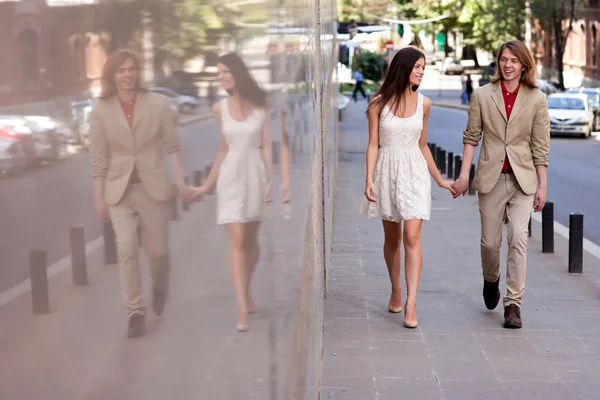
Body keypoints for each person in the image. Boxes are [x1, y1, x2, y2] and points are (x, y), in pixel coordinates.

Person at [89, 49, 194, 338]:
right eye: (121, 71)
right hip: (119, 190)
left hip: (153, 188)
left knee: (158, 253)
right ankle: (134, 311)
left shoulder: (157, 104)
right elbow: (98, 159)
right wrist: (99, 198)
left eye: (131, 69)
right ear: (112, 76)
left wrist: (180, 181)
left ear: (138, 72)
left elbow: (172, 146)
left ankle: (159, 285)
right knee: (126, 249)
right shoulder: (101, 110)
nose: (127, 75)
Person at [452, 40, 550, 329]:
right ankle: (490, 279)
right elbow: (471, 138)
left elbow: (541, 147)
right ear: (498, 62)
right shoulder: (483, 95)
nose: (508, 65)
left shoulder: (536, 98)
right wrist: (462, 175)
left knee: (518, 238)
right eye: (504, 59)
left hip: (523, 180)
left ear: (524, 66)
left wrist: (542, 185)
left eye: (514, 61)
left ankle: (513, 305)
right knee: (491, 244)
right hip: (491, 178)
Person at [359, 47, 456, 328]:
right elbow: (373, 144)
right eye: (416, 66)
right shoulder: (378, 103)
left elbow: (422, 145)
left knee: (412, 236)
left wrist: (439, 180)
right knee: (392, 240)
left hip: (415, 173)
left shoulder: (424, 104)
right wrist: (368, 179)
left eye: (423, 67)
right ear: (402, 67)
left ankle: (411, 304)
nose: (421, 71)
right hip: (387, 172)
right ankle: (396, 289)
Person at [191, 52, 271, 332]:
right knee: (237, 239)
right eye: (218, 73)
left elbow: (265, 146)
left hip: (254, 175)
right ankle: (241, 308)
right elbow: (223, 150)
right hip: (230, 178)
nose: (221, 77)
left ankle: (246, 290)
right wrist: (205, 186)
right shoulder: (218, 109)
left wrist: (270, 180)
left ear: (237, 72)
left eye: (225, 71)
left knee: (250, 241)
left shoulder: (260, 106)